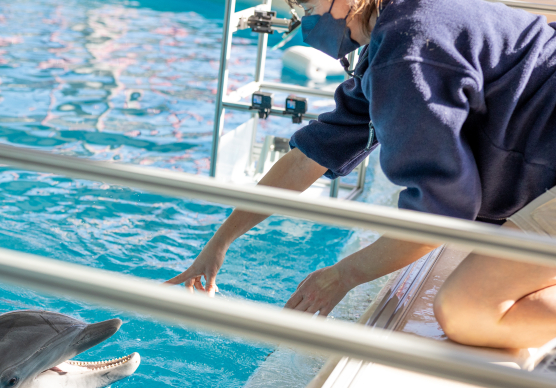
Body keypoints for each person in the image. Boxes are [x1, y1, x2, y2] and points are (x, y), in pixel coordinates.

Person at [167, 0, 556, 350]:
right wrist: (219, 243)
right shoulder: (397, 34)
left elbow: (445, 210)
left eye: (306, 3)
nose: (305, 20)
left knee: (467, 309)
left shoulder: (406, 52)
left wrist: (344, 275)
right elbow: (309, 157)